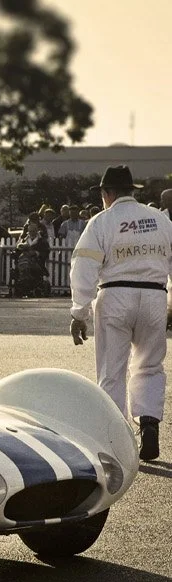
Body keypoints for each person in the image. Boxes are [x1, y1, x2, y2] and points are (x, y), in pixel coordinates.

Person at [69, 165, 172, 461]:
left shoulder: (102, 221)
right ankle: (149, 422)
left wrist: (79, 313)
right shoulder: (160, 221)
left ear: (107, 193)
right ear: (132, 191)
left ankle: (115, 441)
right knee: (150, 365)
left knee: (111, 371)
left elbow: (84, 268)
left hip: (114, 295)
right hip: (154, 296)